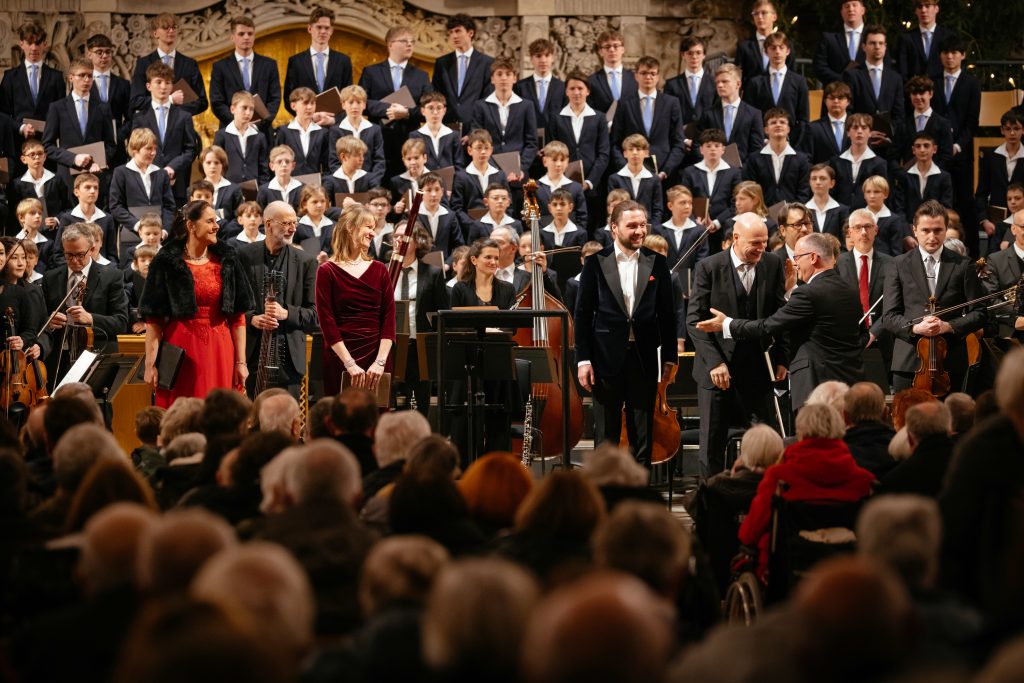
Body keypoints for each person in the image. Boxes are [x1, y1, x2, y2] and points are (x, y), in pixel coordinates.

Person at [698, 231, 865, 410]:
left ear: (813, 257)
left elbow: (767, 326)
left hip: (816, 387)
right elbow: (862, 335)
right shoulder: (851, 291)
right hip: (850, 383)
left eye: (798, 256)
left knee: (815, 437)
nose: (795, 263)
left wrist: (727, 324)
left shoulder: (808, 293)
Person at [575, 200, 676, 467]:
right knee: (606, 438)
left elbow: (667, 315)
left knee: (642, 436)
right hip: (605, 359)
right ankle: (604, 500)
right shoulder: (596, 263)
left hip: (644, 358)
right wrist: (583, 360)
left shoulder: (658, 263)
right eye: (632, 226)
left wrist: (670, 358)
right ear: (614, 228)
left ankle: (639, 499)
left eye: (643, 225)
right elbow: (583, 315)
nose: (639, 231)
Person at [686, 212, 787, 478]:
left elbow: (779, 316)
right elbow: (695, 321)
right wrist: (715, 362)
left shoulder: (773, 264)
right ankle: (709, 511)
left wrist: (781, 358)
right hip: (717, 371)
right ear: (736, 238)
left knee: (767, 441)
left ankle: (763, 504)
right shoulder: (708, 267)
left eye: (764, 242)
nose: (761, 248)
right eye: (755, 243)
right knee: (712, 445)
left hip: (757, 371)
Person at [737, 404, 874, 582]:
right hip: (848, 569)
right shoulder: (863, 480)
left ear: (800, 432)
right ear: (841, 430)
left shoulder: (779, 477)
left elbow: (751, 532)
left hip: (788, 571)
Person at [140, 200, 253, 406]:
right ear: (191, 226)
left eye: (216, 221)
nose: (216, 226)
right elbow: (153, 320)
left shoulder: (228, 259)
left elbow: (238, 317)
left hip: (220, 350)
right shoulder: (165, 261)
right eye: (209, 221)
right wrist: (150, 365)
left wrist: (241, 362)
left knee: (218, 411)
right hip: (180, 352)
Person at [881, 200, 986, 392]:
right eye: (925, 230)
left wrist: (949, 326)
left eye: (938, 230)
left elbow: (980, 312)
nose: (932, 236)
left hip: (952, 362)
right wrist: (915, 328)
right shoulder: (898, 264)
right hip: (908, 363)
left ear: (946, 230)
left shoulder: (963, 265)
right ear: (914, 230)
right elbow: (888, 316)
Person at [237, 201, 318, 399]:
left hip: (289, 362)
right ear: (268, 223)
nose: (292, 228)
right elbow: (230, 305)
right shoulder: (242, 256)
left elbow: (316, 315)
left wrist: (286, 313)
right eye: (286, 223)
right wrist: (251, 319)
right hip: (251, 356)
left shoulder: (307, 262)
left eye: (294, 223)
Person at [315, 204, 396, 397]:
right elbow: (327, 323)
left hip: (377, 359)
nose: (372, 233)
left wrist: (380, 362)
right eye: (368, 226)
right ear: (350, 227)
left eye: (374, 228)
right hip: (340, 359)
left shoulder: (379, 269)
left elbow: (389, 318)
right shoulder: (327, 271)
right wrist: (349, 363)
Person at [37, 224, 127, 387]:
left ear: (92, 249)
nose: (74, 261)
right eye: (68, 255)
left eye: (79, 255)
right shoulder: (51, 277)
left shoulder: (112, 276)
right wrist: (49, 321)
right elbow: (40, 319)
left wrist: (90, 318)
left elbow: (121, 322)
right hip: (59, 357)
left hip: (96, 356)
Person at [448, 238, 516, 455]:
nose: (494, 261)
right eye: (488, 257)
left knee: (498, 421)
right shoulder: (459, 289)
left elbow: (511, 328)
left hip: (497, 362)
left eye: (496, 258)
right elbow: (455, 326)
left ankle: (496, 472)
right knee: (465, 422)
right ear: (474, 260)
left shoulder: (507, 289)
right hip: (467, 362)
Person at [209, 15, 281, 133]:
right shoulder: (220, 67)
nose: (246, 37)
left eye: (250, 33)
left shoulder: (269, 65)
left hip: (262, 131)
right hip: (230, 131)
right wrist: (238, 123)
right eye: (241, 34)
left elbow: (275, 99)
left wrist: (259, 124)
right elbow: (216, 101)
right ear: (232, 37)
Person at [128, 13, 209, 118]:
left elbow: (202, 102)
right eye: (165, 27)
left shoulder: (190, 64)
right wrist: (170, 100)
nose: (171, 31)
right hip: (152, 125)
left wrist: (178, 111)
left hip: (181, 126)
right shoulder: (143, 64)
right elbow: (136, 101)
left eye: (174, 27)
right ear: (155, 33)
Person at [282, 6, 353, 117]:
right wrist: (308, 117)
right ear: (309, 29)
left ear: (331, 31)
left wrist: (335, 120)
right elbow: (289, 98)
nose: (323, 31)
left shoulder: (343, 61)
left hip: (334, 126)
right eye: (319, 27)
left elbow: (348, 97)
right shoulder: (296, 61)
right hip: (306, 125)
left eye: (326, 28)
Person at [431, 14, 494, 127]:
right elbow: (436, 94)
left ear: (470, 33)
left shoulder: (487, 63)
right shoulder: (442, 63)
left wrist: (476, 128)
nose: (454, 36)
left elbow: (488, 99)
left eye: (458, 31)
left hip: (475, 127)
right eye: (451, 32)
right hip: (446, 126)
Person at [983, 207, 1024, 344]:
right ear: (1013, 229)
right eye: (1023, 227)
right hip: (1008, 331)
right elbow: (991, 300)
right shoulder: (995, 260)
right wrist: (1015, 318)